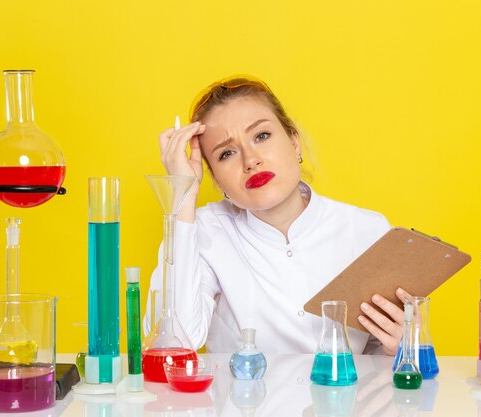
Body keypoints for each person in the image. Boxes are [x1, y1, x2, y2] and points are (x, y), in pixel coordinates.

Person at [144, 75, 409, 355]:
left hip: (343, 398)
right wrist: (183, 194)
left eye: (261, 136)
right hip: (242, 400)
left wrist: (400, 346)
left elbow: (376, 359)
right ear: (217, 181)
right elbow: (174, 343)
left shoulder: (366, 230)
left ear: (294, 142)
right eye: (226, 153)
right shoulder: (205, 231)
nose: (251, 160)